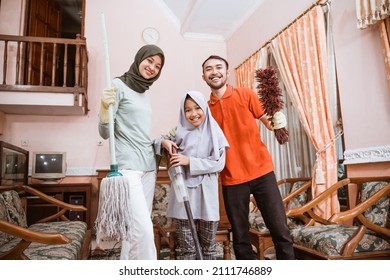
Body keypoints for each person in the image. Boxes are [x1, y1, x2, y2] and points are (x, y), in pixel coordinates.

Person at [201, 55, 295, 260]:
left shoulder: (245, 94)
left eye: (219, 67)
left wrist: (278, 121)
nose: (214, 71)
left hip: (262, 171)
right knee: (240, 237)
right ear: (203, 76)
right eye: (209, 69)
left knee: (280, 230)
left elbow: (267, 121)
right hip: (231, 178)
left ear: (227, 73)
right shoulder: (205, 109)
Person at [97, 44, 165, 260]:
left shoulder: (145, 93)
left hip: (148, 168)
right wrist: (103, 110)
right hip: (128, 169)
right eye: (149, 61)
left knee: (133, 231)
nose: (152, 67)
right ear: (139, 59)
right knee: (144, 231)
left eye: (158, 66)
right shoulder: (118, 85)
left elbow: (141, 134)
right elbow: (104, 133)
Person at [155, 91, 229, 260]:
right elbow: (157, 147)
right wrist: (164, 143)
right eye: (187, 110)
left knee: (209, 249)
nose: (193, 114)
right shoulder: (177, 134)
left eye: (197, 108)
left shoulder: (215, 133)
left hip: (207, 198)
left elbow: (219, 163)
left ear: (204, 108)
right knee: (188, 251)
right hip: (184, 195)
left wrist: (189, 161)